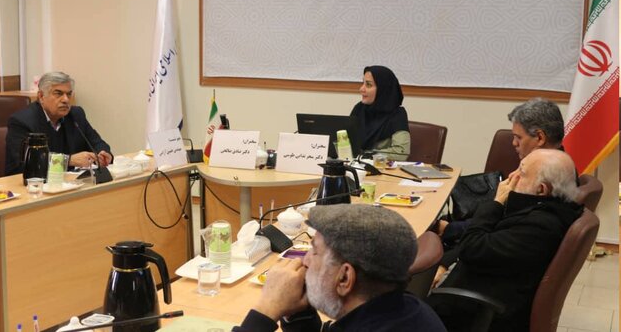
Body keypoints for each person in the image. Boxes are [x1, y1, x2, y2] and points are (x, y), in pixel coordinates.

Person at [430, 149, 583, 332]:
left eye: (521, 172)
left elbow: (472, 247)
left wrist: (496, 202)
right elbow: (479, 238)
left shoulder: (539, 227)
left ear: (541, 189)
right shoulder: (535, 208)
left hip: (475, 310)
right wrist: (445, 263)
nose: (511, 175)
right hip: (471, 281)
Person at [233, 204, 446, 332]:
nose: (304, 261)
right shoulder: (404, 309)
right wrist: (297, 313)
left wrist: (266, 309)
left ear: (344, 278)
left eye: (314, 251)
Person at [435, 97, 569, 266]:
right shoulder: (558, 170)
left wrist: (445, 261)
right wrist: (451, 229)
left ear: (540, 138)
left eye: (518, 137)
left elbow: (493, 235)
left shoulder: (543, 184)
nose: (514, 143)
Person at [5, 71, 113, 175]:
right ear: (41, 96)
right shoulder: (22, 121)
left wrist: (103, 154)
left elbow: (97, 143)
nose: (66, 100)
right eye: (58, 94)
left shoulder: (76, 115)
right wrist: (68, 161)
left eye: (69, 94)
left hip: (70, 182)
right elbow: (24, 164)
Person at [350, 66, 410, 161]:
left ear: (383, 89)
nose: (361, 89)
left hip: (381, 167)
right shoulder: (359, 109)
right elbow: (347, 141)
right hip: (356, 165)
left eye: (368, 85)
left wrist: (369, 155)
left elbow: (401, 152)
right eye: (363, 83)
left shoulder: (397, 114)